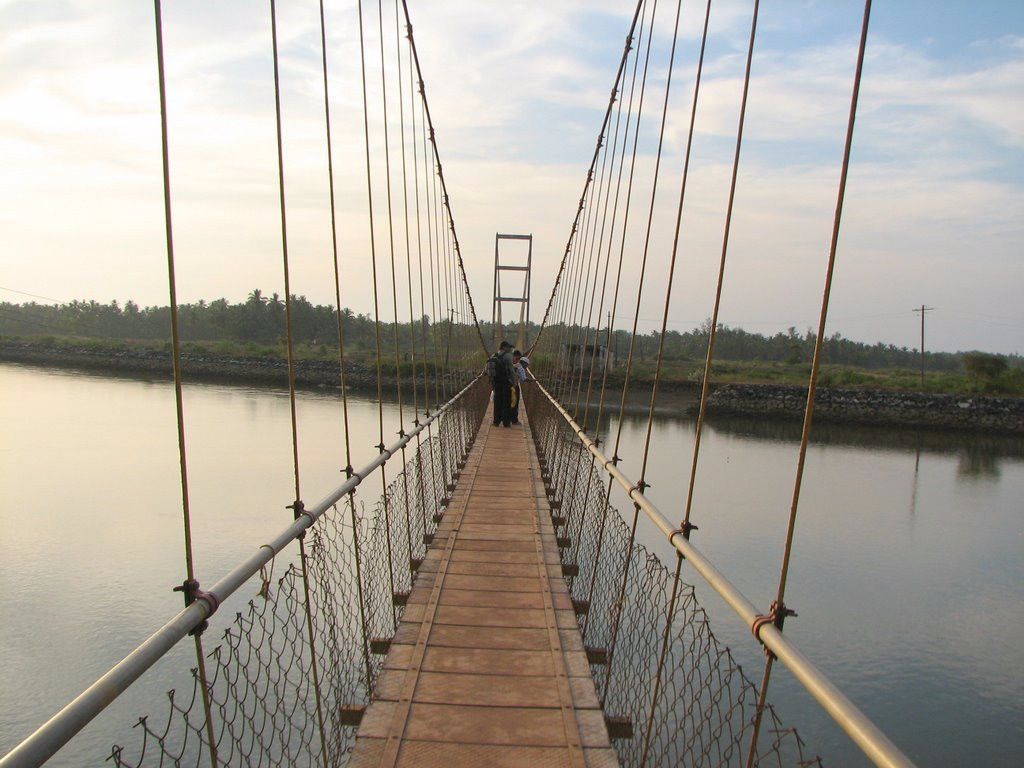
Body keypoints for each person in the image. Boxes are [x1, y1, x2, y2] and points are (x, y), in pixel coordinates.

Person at [489, 340, 515, 427]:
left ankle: (496, 421)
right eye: (508, 347)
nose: (509, 349)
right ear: (504, 347)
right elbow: (511, 370)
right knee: (506, 402)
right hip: (506, 382)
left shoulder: (494, 355)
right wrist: (514, 381)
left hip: (496, 382)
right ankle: (506, 422)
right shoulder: (508, 356)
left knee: (497, 401)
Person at [510, 350, 527, 424]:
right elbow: (524, 379)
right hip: (515, 387)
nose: (518, 360)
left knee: (509, 402)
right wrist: (534, 380)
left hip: (508, 386)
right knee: (515, 403)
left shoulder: (512, 365)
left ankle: (507, 418)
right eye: (517, 358)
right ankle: (514, 420)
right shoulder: (519, 367)